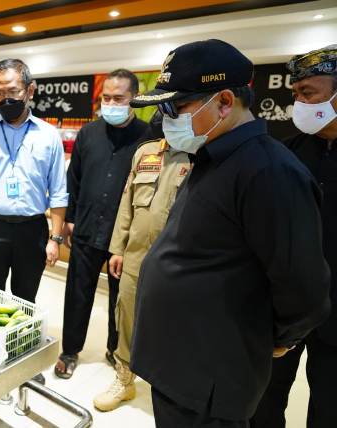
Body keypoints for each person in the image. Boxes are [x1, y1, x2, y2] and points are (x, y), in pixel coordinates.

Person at [128, 39, 331, 428]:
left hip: (209, 378)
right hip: (178, 364)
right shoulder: (212, 154)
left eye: (175, 107)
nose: (164, 118)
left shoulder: (268, 172)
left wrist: (277, 338)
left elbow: (303, 286)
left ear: (224, 101)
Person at [251, 45, 337, 428]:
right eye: (296, 94)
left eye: (308, 94)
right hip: (284, 309)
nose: (298, 103)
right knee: (265, 401)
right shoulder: (287, 153)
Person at [55, 69, 150, 379]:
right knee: (77, 293)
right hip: (84, 228)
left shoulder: (149, 137)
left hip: (123, 236)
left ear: (133, 99)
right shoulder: (88, 133)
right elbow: (75, 179)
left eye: (118, 98)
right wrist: (68, 219)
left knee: (120, 299)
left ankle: (115, 349)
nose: (111, 103)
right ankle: (70, 351)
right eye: (106, 97)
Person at [93, 112, 190, 410]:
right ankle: (125, 380)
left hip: (178, 263)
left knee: (174, 324)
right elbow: (127, 204)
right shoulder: (145, 153)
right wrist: (117, 249)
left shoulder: (201, 155)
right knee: (128, 316)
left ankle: (171, 387)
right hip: (135, 256)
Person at [0, 58, 68, 302]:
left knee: (25, 300)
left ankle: (21, 340)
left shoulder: (48, 135)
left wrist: (55, 239)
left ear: (30, 90)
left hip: (32, 230)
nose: (6, 98)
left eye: (13, 91)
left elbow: (59, 192)